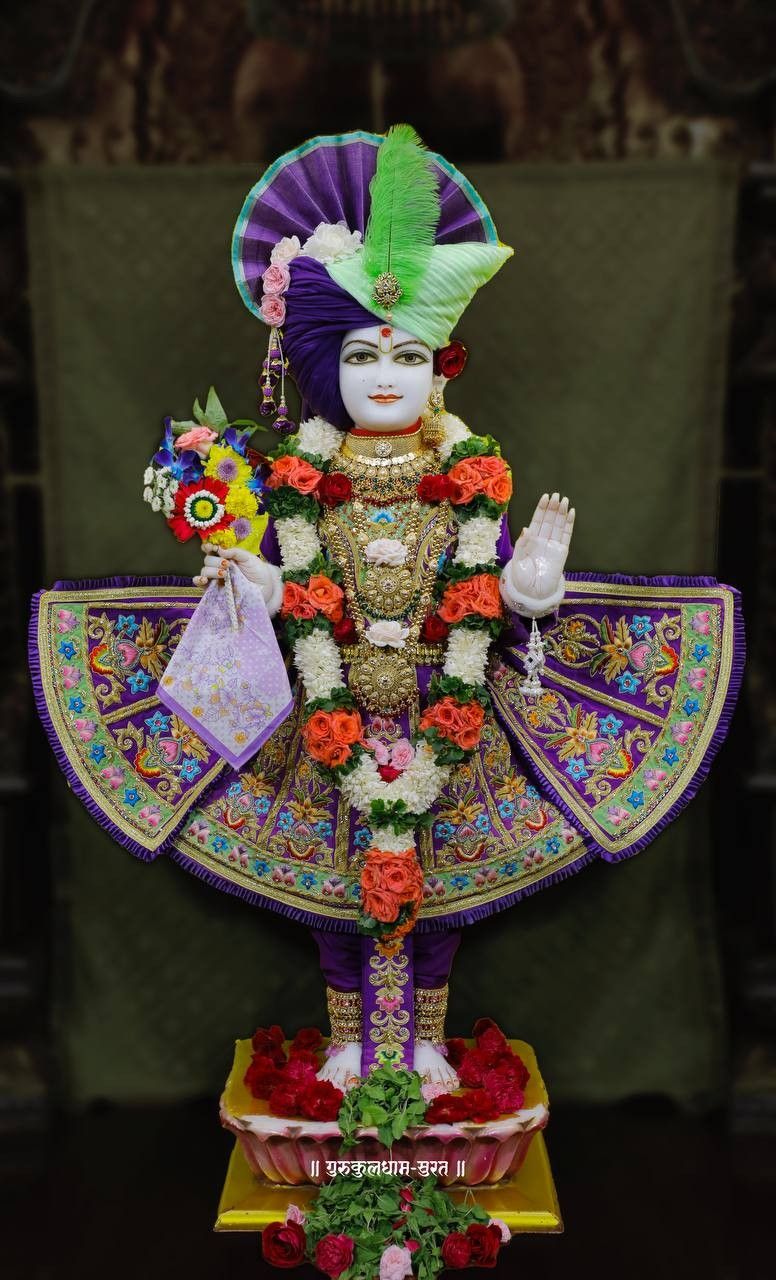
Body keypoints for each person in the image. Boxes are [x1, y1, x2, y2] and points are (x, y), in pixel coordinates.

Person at [31, 127, 744, 1090]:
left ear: (440, 368)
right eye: (364, 353)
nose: (383, 375)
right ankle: (348, 1041)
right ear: (328, 366)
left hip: (451, 704)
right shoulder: (300, 477)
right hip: (327, 706)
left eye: (408, 356)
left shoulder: (469, 476)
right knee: (338, 888)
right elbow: (300, 594)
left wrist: (531, 589)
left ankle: (419, 1046)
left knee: (435, 885)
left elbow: (482, 592)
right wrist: (257, 581)